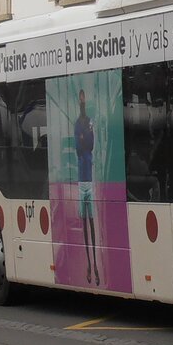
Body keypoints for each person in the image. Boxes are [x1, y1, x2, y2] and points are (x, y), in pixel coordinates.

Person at [75, 89, 99, 285]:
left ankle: (95, 266)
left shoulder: (88, 122)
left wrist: (83, 140)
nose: (82, 100)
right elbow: (78, 146)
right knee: (84, 226)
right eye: (80, 97)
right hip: (81, 181)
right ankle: (89, 266)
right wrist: (82, 140)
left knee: (91, 224)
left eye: (84, 97)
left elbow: (88, 144)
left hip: (89, 182)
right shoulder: (78, 124)